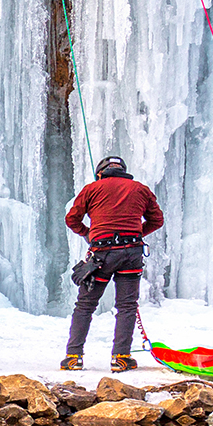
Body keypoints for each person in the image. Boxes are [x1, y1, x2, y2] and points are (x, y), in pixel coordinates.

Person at [61, 155, 164, 372]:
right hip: (131, 253)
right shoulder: (140, 189)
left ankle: (73, 357)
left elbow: (72, 219)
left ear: (100, 172)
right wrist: (135, 234)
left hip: (102, 253)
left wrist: (89, 234)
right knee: (126, 305)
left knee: (85, 305)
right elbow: (157, 220)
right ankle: (121, 357)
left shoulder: (92, 189)